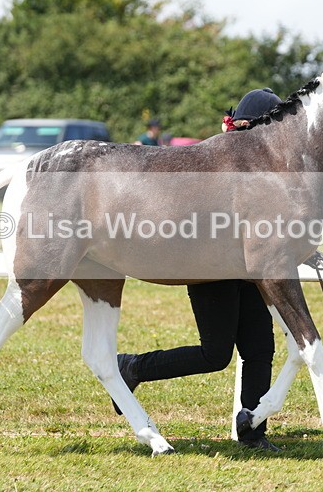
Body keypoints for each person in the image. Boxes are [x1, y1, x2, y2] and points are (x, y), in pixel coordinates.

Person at [116, 88, 284, 451]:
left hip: (248, 270)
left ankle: (253, 431)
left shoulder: (262, 164)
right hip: (210, 269)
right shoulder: (216, 159)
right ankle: (132, 367)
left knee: (260, 350)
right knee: (215, 355)